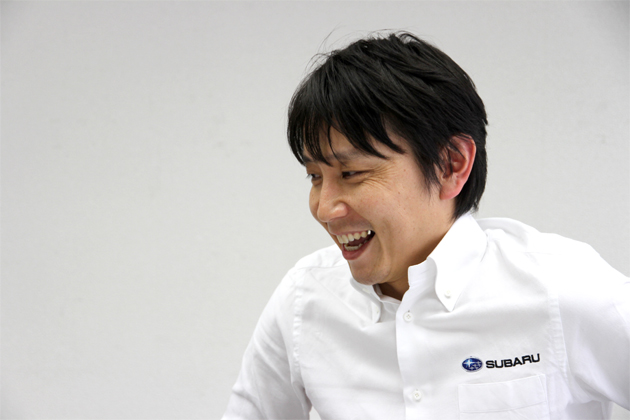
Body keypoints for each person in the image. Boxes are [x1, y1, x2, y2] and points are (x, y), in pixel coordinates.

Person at [223, 32, 629, 419]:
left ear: (451, 164)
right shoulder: (304, 299)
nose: (325, 208)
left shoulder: (562, 287)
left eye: (351, 173)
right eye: (315, 177)